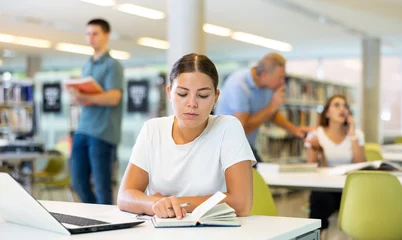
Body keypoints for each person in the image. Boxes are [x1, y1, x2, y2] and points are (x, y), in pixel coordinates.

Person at [117, 53, 256, 219]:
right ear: (169, 93)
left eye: (203, 95)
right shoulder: (152, 129)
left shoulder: (228, 128)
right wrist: (154, 204)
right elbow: (125, 196)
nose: (192, 104)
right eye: (182, 94)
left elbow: (241, 203)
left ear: (216, 97)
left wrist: (172, 203)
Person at [67, 19, 124, 205]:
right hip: (83, 129)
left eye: (95, 33)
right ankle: (96, 217)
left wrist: (86, 98)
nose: (90, 38)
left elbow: (114, 97)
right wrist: (77, 97)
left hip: (103, 133)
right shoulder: (88, 65)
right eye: (88, 34)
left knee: (102, 186)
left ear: (106, 35)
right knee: (78, 183)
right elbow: (86, 97)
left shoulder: (113, 65)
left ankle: (107, 225)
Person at [215, 53, 309, 163]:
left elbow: (272, 115)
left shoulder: (267, 86)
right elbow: (241, 129)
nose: (282, 82)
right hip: (227, 149)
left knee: (261, 175)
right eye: (280, 78)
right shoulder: (239, 85)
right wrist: (272, 106)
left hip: (246, 146)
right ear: (264, 75)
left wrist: (296, 131)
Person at [305, 95, 365, 231]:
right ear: (327, 113)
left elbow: (361, 163)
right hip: (326, 188)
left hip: (350, 189)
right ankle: (316, 233)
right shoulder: (315, 134)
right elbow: (310, 167)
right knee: (319, 199)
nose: (342, 109)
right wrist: (314, 148)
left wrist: (352, 133)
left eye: (345, 106)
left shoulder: (356, 134)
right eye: (337, 105)